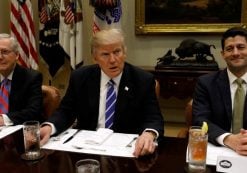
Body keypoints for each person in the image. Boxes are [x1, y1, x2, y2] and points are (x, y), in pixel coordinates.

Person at [40, 28, 164, 157]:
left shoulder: (142, 80)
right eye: (105, 54)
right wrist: (50, 126)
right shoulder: (80, 77)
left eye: (117, 52)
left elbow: (153, 118)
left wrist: (149, 134)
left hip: (126, 152)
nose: (112, 60)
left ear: (124, 52)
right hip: (87, 149)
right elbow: (66, 111)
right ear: (95, 58)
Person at [192, 27, 247, 155]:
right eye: (229, 49)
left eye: (241, 47)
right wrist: (229, 139)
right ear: (223, 55)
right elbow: (200, 120)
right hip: (220, 150)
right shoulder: (205, 83)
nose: (235, 53)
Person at [0, 33, 43, 126]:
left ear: (17, 55)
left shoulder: (32, 77)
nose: (0, 57)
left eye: (4, 52)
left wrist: (3, 119)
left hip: (17, 132)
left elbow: (33, 112)